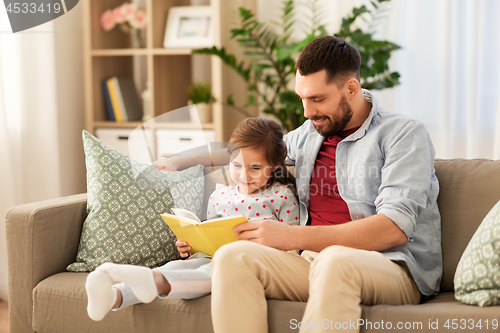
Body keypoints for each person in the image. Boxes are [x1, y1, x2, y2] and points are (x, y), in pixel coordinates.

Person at [207, 36, 442, 333]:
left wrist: (292, 237)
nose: (307, 112)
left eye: (317, 99)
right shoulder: (310, 132)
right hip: (313, 261)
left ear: (351, 88)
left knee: (334, 259)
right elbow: (254, 151)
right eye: (302, 98)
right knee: (232, 256)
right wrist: (182, 160)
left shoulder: (403, 135)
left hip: (391, 267)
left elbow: (392, 228)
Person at [84, 117, 300, 322]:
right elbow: (210, 235)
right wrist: (190, 245)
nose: (244, 176)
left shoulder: (282, 196)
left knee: (208, 274)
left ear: (274, 166)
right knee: (175, 265)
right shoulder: (219, 196)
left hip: (245, 265)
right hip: (209, 257)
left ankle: (154, 282)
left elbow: (293, 246)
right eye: (236, 165)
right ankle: (114, 296)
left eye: (255, 168)